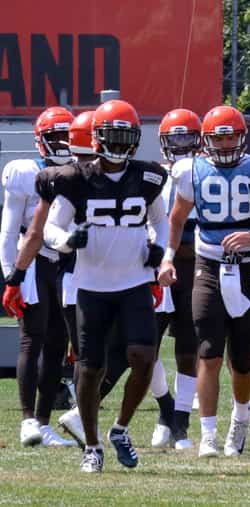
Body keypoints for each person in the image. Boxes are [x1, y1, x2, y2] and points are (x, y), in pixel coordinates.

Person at [43, 100, 170, 473]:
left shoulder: (147, 178)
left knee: (144, 357)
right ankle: (93, 446)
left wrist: (160, 249)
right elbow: (51, 229)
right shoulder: (76, 178)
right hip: (92, 284)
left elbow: (160, 221)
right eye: (110, 135)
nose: (116, 144)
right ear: (97, 137)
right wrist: (68, 240)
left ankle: (120, 429)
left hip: (134, 281)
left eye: (123, 136)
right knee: (90, 366)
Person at [158, 105, 250, 459]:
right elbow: (176, 218)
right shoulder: (190, 170)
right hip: (209, 267)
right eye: (219, 137)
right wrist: (168, 258)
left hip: (246, 270)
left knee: (241, 361)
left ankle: (240, 418)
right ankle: (209, 435)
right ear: (207, 140)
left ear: (242, 136)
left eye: (231, 136)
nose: (227, 143)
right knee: (209, 353)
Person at [1, 106, 76, 448]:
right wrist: (10, 275)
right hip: (31, 261)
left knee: (59, 343)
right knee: (33, 338)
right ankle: (27, 420)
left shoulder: (81, 170)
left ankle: (44, 422)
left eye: (67, 135)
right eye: (55, 136)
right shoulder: (24, 171)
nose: (62, 142)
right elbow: (7, 228)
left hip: (64, 262)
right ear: (40, 141)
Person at [149, 108, 203, 450]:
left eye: (186, 137)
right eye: (175, 138)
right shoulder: (152, 175)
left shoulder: (204, 173)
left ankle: (180, 421)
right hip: (157, 267)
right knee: (143, 346)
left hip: (194, 266)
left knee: (189, 346)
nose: (181, 144)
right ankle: (165, 408)